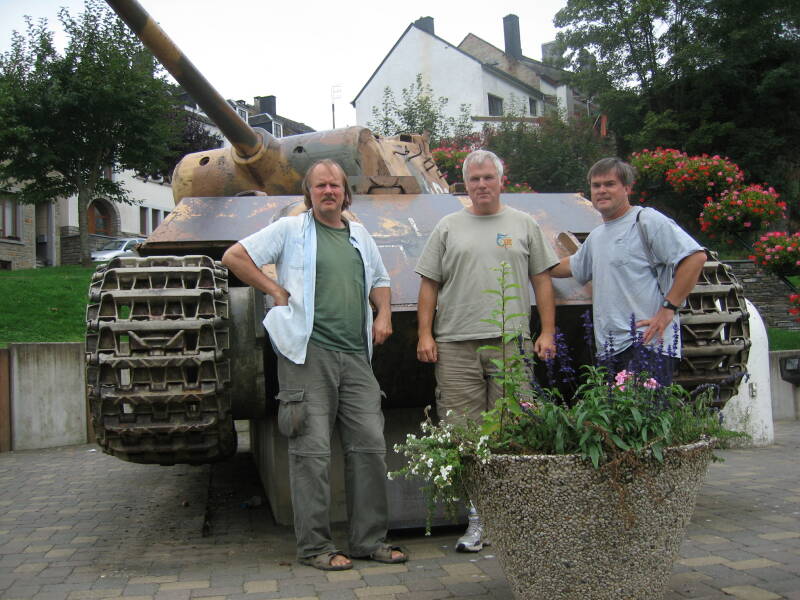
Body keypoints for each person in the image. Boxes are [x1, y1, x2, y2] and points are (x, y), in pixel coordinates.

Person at [221, 159, 407, 571]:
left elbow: (380, 279)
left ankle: (369, 541)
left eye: (335, 186)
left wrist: (384, 314)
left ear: (345, 193)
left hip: (357, 357)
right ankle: (315, 547)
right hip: (308, 356)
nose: (328, 191)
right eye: (320, 186)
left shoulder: (359, 235)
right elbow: (235, 256)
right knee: (312, 453)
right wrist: (274, 289)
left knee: (369, 448)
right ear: (309, 194)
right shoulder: (290, 231)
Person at [415, 149, 558, 552]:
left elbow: (542, 280)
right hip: (456, 343)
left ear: (501, 179)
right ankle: (478, 520)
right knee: (465, 434)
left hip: (511, 341)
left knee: (514, 430)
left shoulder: (523, 224)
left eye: (487, 178)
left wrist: (547, 332)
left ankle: (512, 519)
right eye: (474, 179)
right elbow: (429, 284)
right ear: (466, 183)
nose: (481, 185)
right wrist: (425, 334)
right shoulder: (447, 226)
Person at [550, 157, 707, 383]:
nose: (601, 190)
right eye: (596, 185)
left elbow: (695, 257)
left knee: (644, 416)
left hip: (647, 346)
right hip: (610, 350)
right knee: (618, 418)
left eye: (609, 184)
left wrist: (668, 308)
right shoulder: (597, 237)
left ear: (627, 188)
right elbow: (570, 266)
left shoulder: (647, 220)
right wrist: (530, 263)